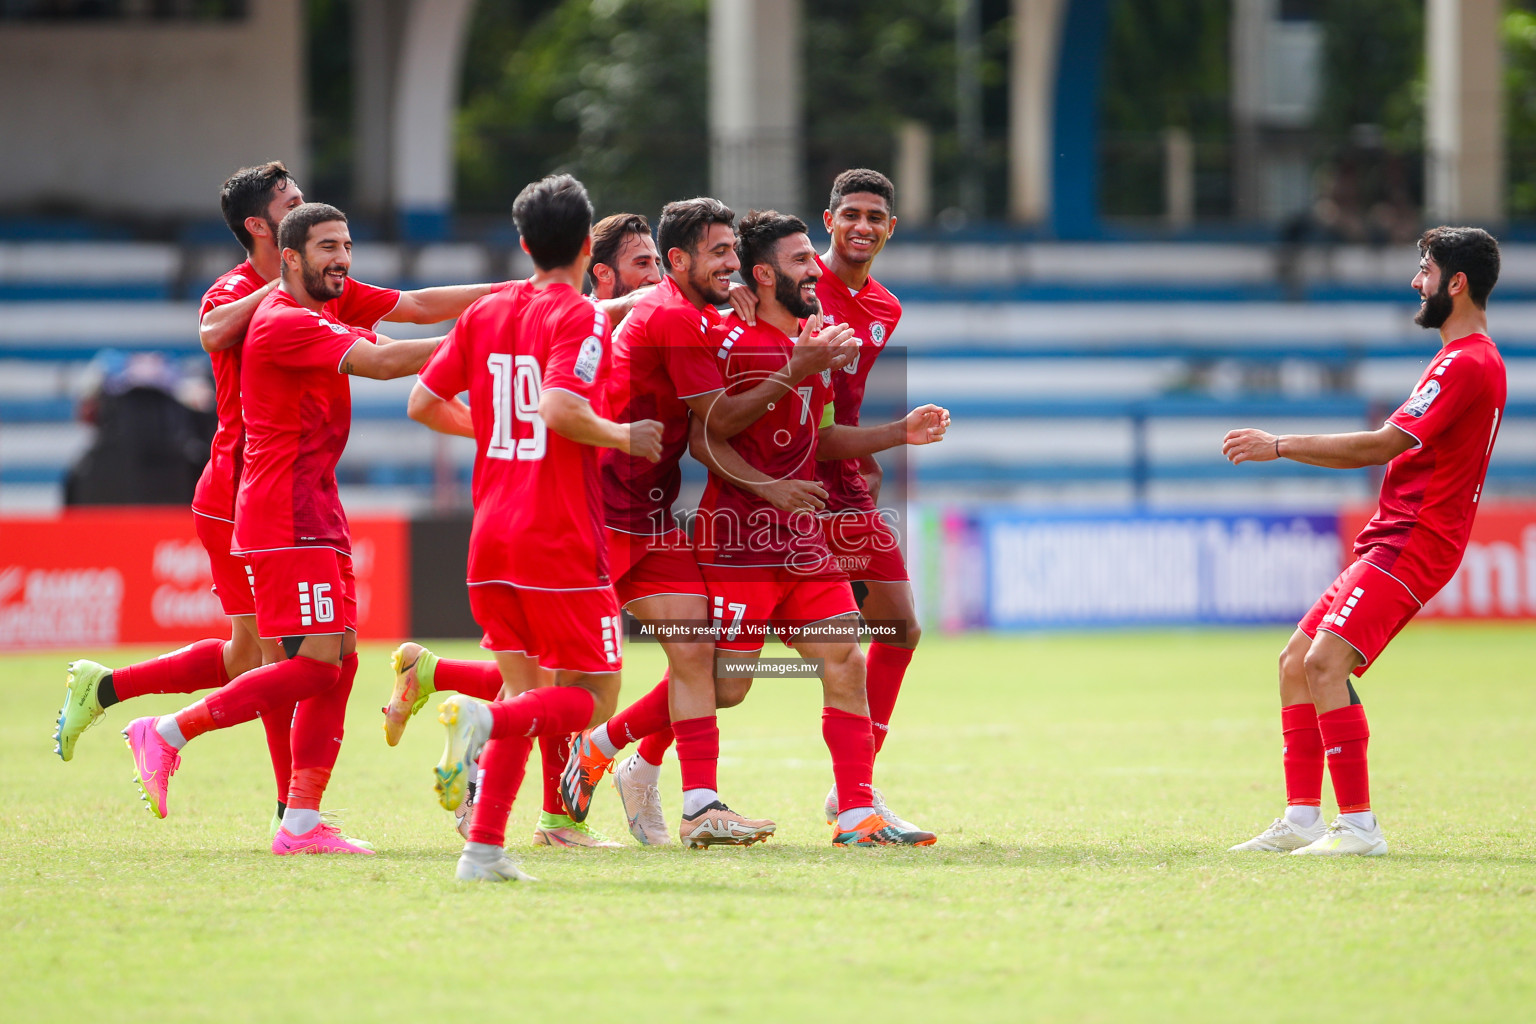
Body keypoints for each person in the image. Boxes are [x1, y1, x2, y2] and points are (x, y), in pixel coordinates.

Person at [54, 162, 496, 838]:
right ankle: (270, 800)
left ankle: (118, 696)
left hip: (299, 491)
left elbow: (414, 306)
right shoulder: (258, 301)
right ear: (267, 231)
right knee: (292, 660)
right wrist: (501, 332)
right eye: (296, 208)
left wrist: (519, 294)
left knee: (289, 656)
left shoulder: (319, 289)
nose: (336, 248)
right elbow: (218, 334)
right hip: (249, 492)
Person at [117, 202, 449, 855]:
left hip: (313, 507)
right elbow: (385, 364)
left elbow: (401, 334)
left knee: (340, 658)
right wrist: (499, 333)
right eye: (328, 245)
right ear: (289, 258)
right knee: (316, 661)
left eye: (348, 245)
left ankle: (300, 821)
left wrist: (502, 307)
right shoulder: (281, 320)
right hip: (282, 514)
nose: (343, 258)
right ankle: (169, 731)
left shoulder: (317, 315)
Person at [556, 198, 855, 847]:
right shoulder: (675, 320)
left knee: (702, 661)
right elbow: (713, 426)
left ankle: (694, 801)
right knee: (553, 671)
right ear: (678, 261)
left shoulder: (698, 314)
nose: (732, 267)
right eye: (718, 254)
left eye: (733, 253)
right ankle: (468, 732)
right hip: (598, 512)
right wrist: (794, 368)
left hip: (652, 514)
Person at [407, 173, 664, 881]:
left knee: (526, 697)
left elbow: (423, 403)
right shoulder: (576, 315)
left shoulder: (488, 309)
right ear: (588, 246)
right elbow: (558, 410)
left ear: (522, 243)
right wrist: (623, 435)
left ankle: (483, 853)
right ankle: (479, 722)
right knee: (589, 702)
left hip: (489, 533)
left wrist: (492, 432)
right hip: (558, 534)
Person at [1223, 226, 1505, 857]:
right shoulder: (1461, 359)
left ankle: (1357, 828)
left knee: (1326, 664)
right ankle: (1301, 818)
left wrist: (1279, 444)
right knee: (1295, 663)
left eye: (1426, 271)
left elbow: (1382, 445)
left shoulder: (1468, 362)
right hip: (1394, 538)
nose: (1417, 282)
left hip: (1417, 539)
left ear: (1455, 283)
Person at [686, 209, 949, 845]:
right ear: (765, 275)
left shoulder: (817, 338)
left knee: (845, 654)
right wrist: (796, 371)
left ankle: (857, 811)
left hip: (802, 537)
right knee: (724, 686)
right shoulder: (734, 340)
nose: (816, 270)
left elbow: (820, 435)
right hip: (739, 539)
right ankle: (619, 749)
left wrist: (896, 434)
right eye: (803, 261)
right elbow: (707, 434)